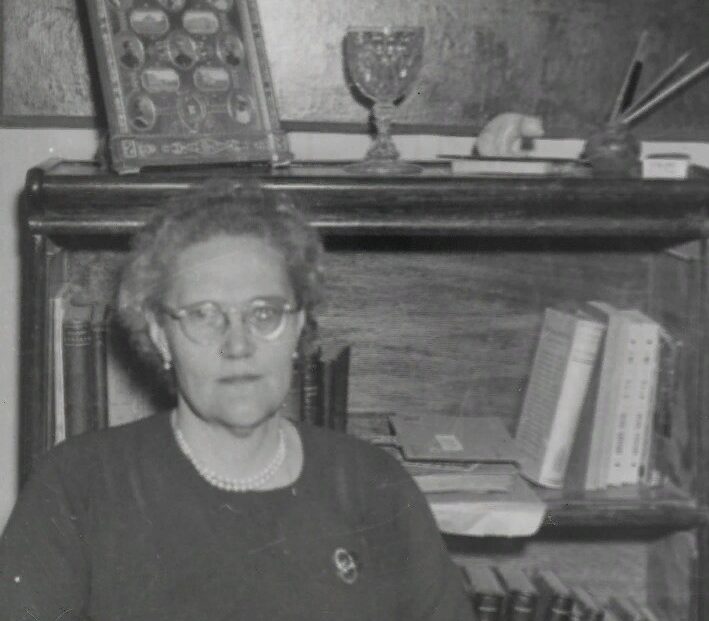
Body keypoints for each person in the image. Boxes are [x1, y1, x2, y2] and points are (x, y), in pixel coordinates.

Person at [0, 180, 471, 620]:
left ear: (299, 326)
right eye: (205, 316)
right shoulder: (76, 488)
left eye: (264, 313)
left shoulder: (375, 487)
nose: (238, 344)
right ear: (161, 335)